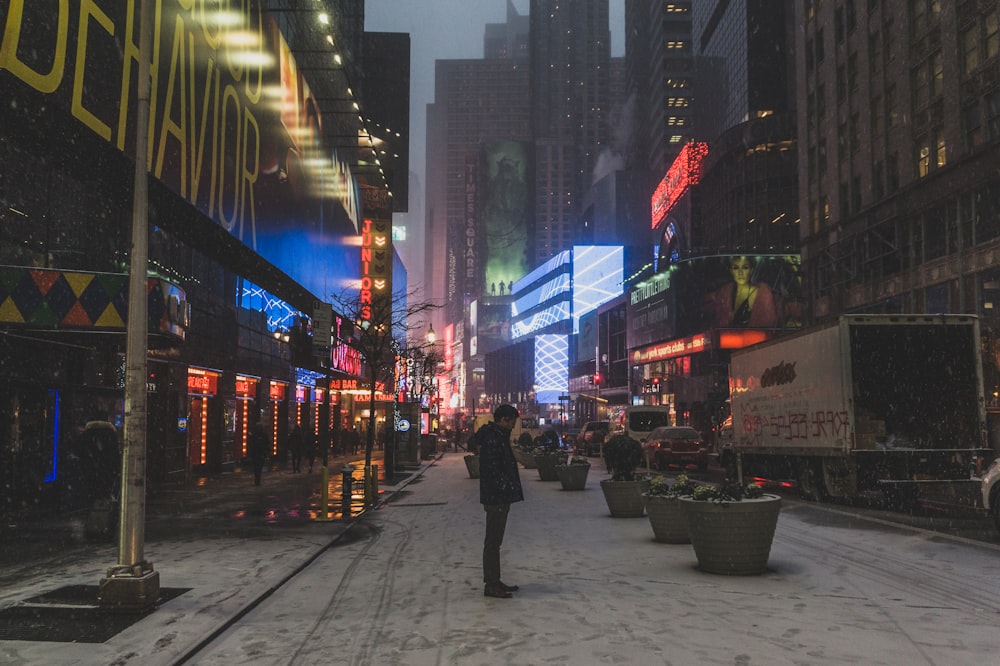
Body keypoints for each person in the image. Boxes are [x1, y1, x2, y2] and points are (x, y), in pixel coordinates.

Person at [478, 403, 524, 599]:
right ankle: (491, 583)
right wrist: (505, 487)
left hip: (498, 496)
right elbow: (492, 470)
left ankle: (494, 580)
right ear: (503, 420)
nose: (513, 427)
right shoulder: (494, 439)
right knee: (493, 542)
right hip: (496, 497)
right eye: (511, 422)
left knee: (495, 542)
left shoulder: (498, 437)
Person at [704, 255, 779, 328]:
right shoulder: (724, 293)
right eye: (736, 268)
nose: (740, 272)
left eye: (745, 268)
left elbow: (769, 324)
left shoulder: (763, 294)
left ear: (751, 270)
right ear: (731, 271)